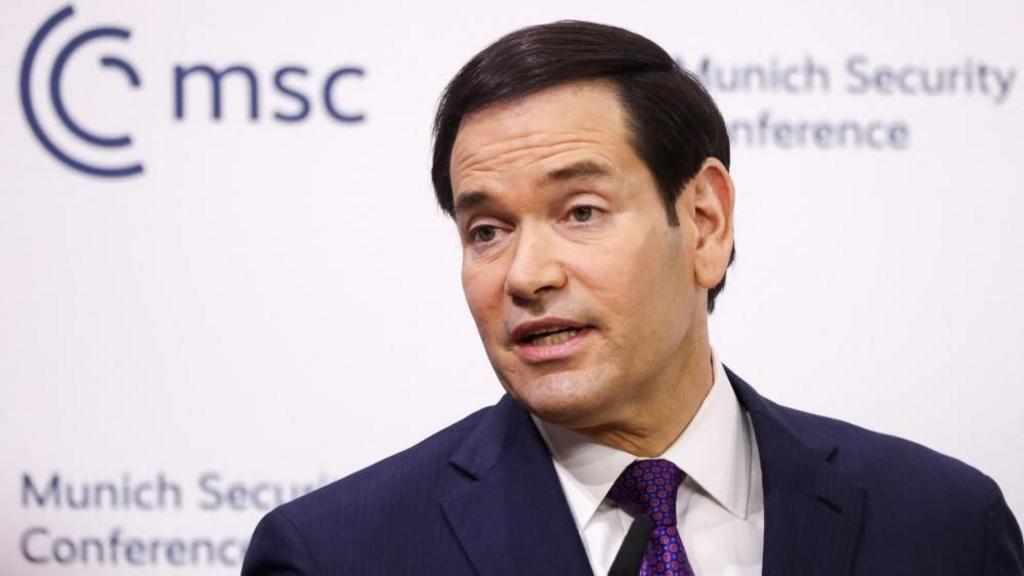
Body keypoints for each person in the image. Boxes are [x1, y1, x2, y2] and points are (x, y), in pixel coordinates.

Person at [242, 21, 1023, 575]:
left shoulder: (942, 524)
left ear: (705, 222)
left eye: (581, 212)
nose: (525, 275)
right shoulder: (336, 554)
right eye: (487, 230)